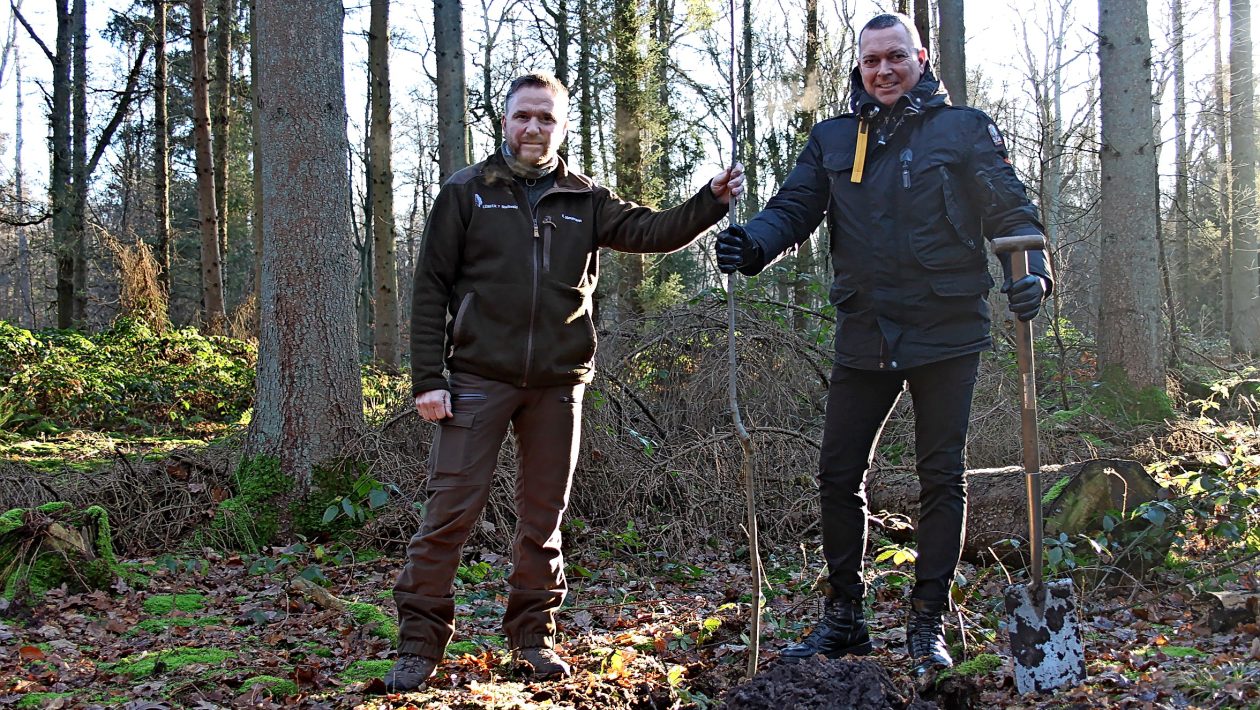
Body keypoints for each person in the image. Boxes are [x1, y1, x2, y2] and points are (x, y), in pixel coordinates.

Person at [385, 71, 744, 692]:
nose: (533, 128)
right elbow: (430, 290)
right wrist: (428, 379)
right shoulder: (467, 192)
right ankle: (418, 645)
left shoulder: (585, 198)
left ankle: (533, 639)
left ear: (562, 126)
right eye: (523, 116)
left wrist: (709, 200)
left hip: (558, 386)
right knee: (449, 514)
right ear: (504, 122)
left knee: (543, 519)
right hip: (475, 381)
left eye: (546, 118)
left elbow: (653, 232)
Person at [715, 13, 1051, 676]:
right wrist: (752, 242)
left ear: (920, 58)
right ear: (859, 68)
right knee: (839, 474)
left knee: (941, 477)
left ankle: (926, 626)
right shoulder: (836, 138)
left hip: (947, 328)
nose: (885, 70)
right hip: (865, 330)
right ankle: (843, 620)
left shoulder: (963, 129)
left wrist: (1032, 270)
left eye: (896, 56)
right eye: (872, 61)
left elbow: (1010, 208)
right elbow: (795, 207)